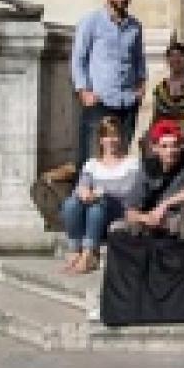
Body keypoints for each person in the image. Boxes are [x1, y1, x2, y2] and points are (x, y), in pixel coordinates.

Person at [70, 0, 146, 171]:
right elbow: (79, 58)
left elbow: (139, 57)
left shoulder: (134, 26)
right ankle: (84, 199)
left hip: (127, 101)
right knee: (91, 158)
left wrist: (140, 86)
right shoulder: (91, 21)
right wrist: (83, 90)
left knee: (120, 156)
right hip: (100, 100)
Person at [60, 115, 140, 274]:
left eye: (115, 135)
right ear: (101, 140)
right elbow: (81, 187)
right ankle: (76, 249)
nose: (111, 140)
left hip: (117, 212)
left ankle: (89, 253)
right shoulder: (92, 164)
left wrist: (100, 193)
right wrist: (83, 192)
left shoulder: (131, 163)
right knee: (71, 203)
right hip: (93, 213)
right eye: (107, 136)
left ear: (121, 138)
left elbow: (129, 191)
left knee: (98, 204)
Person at [125, 120, 184, 237]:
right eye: (164, 146)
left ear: (182, 145)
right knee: (116, 228)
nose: (170, 151)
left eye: (175, 145)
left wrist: (166, 204)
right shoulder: (147, 167)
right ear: (155, 148)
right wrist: (146, 218)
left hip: (182, 217)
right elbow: (130, 210)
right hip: (154, 220)